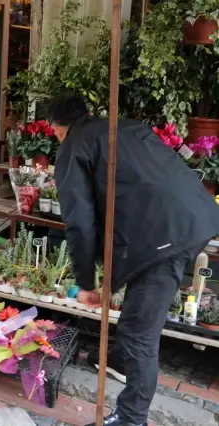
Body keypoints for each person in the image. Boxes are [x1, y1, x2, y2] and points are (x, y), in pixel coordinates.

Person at [49, 94, 219, 426]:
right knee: (140, 307)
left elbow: (80, 222)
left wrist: (85, 282)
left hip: (162, 237)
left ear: (57, 130)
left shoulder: (73, 147)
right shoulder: (125, 127)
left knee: (139, 330)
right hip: (194, 219)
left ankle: (131, 418)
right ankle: (117, 360)